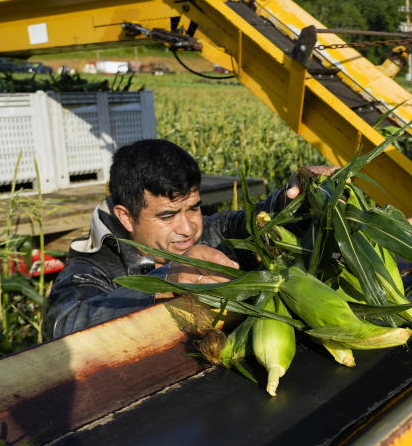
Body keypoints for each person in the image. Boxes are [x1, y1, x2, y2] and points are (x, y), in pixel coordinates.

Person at [46, 139, 321, 339]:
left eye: (193, 208)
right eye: (167, 216)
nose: (188, 229)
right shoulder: (92, 267)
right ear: (127, 218)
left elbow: (256, 221)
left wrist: (294, 197)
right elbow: (64, 324)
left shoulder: (213, 232)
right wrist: (164, 281)